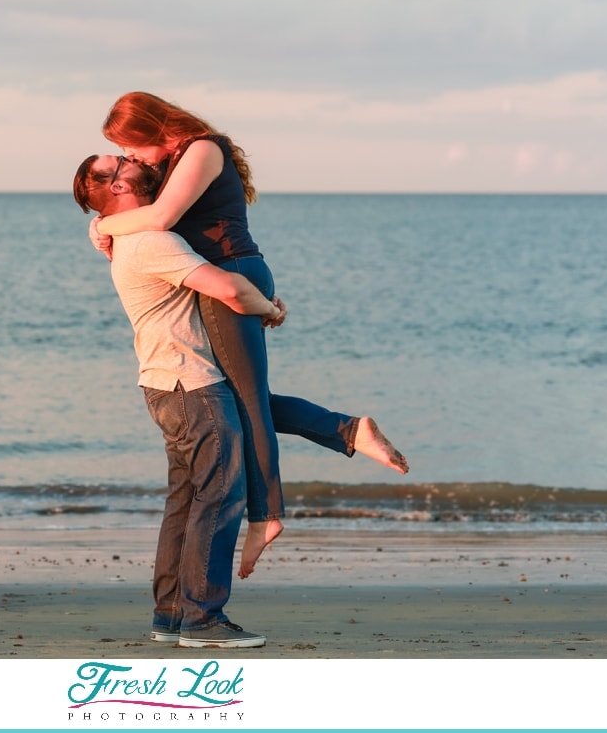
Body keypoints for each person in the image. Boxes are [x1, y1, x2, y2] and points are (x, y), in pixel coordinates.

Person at [90, 91, 409, 579]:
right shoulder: (179, 157)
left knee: (245, 401)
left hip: (232, 275)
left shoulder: (201, 149)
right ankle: (346, 431)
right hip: (226, 278)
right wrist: (102, 224)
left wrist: (105, 223)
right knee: (239, 399)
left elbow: (161, 219)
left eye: (130, 149)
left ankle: (266, 515)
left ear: (152, 127)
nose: (131, 159)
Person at [73, 152, 284, 648]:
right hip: (192, 385)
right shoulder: (151, 241)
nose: (132, 158)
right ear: (118, 187)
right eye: (120, 161)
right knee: (220, 496)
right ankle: (203, 619)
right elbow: (228, 286)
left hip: (163, 382)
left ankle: (171, 615)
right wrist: (270, 310)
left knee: (186, 501)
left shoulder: (127, 236)